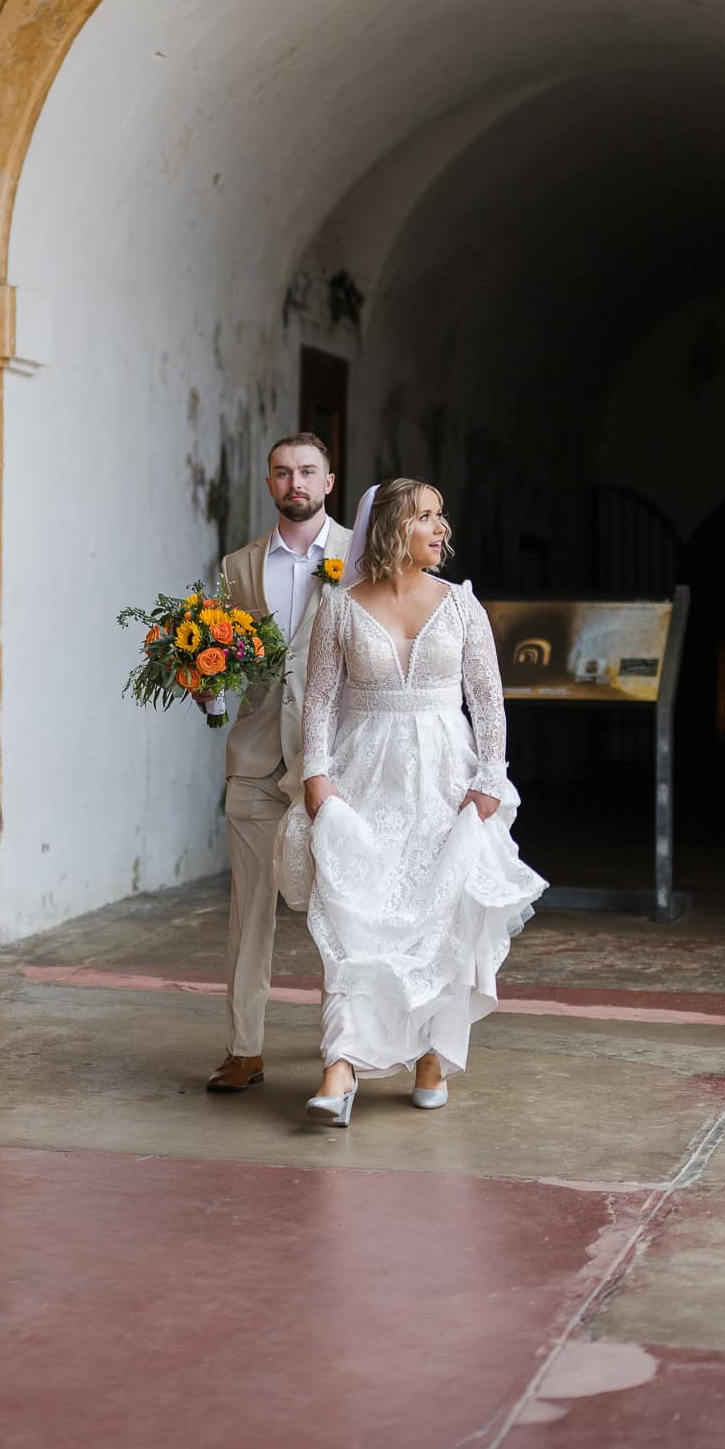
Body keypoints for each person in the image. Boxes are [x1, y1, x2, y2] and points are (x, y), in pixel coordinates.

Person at [278, 478, 545, 1124]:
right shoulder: (340, 607)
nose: (440, 528)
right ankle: (339, 1072)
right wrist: (317, 775)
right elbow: (318, 701)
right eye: (427, 517)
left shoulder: (461, 606)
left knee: (442, 919)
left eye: (440, 517)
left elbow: (487, 701)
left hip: (447, 781)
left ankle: (431, 1055)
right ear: (396, 527)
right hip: (364, 779)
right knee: (354, 922)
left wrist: (490, 777)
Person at [205, 434, 352, 1092]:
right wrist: (202, 682)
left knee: (343, 911)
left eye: (308, 472)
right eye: (283, 472)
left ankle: (342, 1051)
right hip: (256, 756)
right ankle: (244, 1048)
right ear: (270, 485)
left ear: (328, 482)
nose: (296, 482)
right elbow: (222, 656)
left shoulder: (362, 557)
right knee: (249, 910)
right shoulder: (237, 567)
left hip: (335, 762)